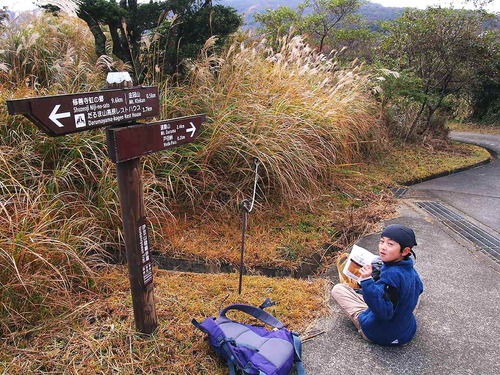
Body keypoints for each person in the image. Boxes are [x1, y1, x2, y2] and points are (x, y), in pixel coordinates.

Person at [331, 224, 423, 346]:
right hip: (406, 332)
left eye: (390, 244)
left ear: (405, 251)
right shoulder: (410, 270)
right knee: (411, 292)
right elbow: (420, 288)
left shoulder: (391, 275)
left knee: (338, 289)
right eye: (382, 241)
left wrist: (366, 280)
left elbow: (384, 313)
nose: (383, 247)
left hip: (380, 333)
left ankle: (370, 324)